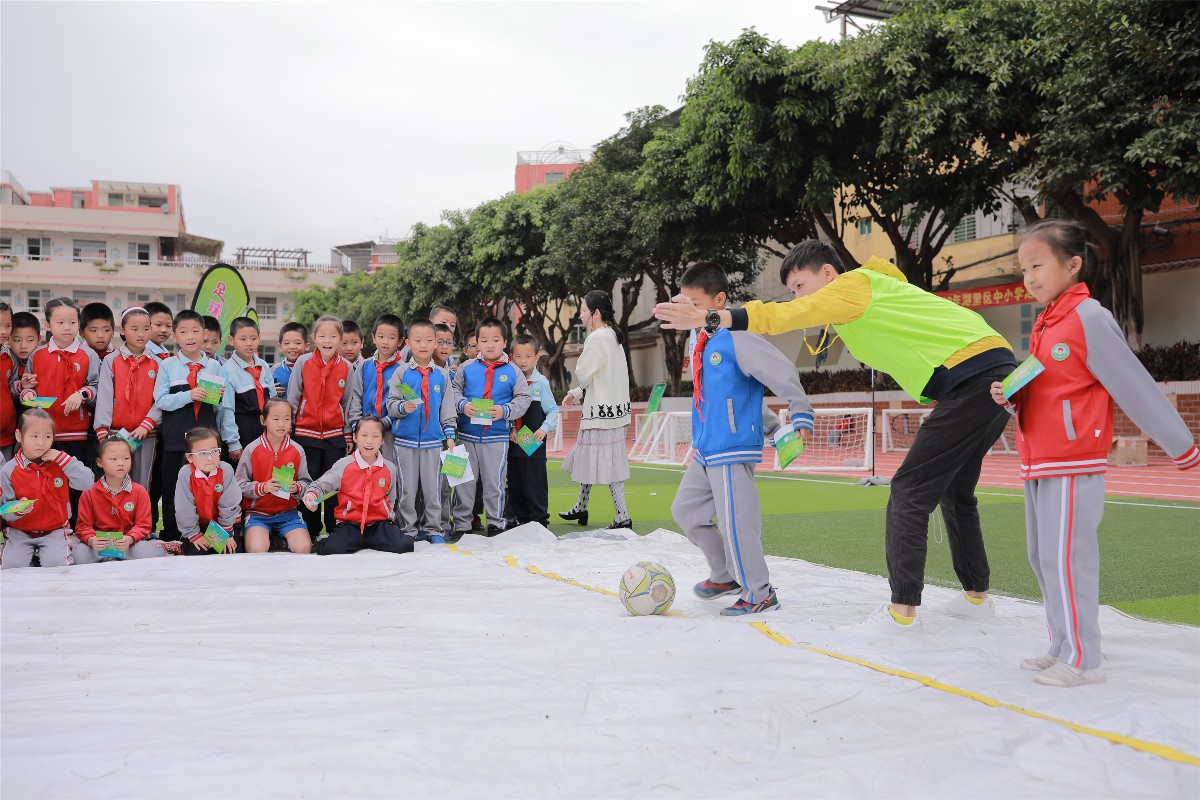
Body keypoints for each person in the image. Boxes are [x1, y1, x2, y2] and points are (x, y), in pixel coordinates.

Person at [656, 239, 1018, 631]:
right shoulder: (865, 298)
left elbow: (787, 316)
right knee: (955, 491)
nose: (796, 295)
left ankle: (901, 612)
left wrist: (716, 318)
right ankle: (976, 597)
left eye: (799, 284)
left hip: (973, 375)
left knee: (909, 490)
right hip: (988, 373)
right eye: (792, 289)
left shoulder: (854, 285)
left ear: (827, 273)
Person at [989, 220, 1199, 687]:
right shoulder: (1048, 323)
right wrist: (1012, 395)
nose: (1030, 278)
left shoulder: (1088, 318)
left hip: (1071, 460)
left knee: (1067, 557)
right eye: (1024, 270)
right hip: (1038, 459)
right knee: (1042, 555)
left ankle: (1084, 659)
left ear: (1073, 264)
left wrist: (1183, 449)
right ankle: (1061, 644)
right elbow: (1052, 389)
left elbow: (1133, 385)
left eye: (1037, 266)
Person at [669, 263, 815, 615]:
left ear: (719, 300)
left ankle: (760, 592)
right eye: (683, 302)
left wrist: (800, 413)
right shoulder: (701, 340)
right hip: (707, 448)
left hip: (732, 448)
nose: (687, 310)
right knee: (686, 511)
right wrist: (767, 423)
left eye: (695, 303)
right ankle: (724, 574)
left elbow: (781, 372)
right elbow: (729, 395)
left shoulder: (739, 336)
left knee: (737, 524)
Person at [153, 310, 237, 540]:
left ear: (205, 334)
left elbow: (223, 406)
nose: (190, 336)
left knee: (209, 489)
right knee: (172, 488)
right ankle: (172, 536)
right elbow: (160, 401)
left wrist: (217, 398)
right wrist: (189, 395)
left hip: (207, 440)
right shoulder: (168, 365)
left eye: (195, 331)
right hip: (175, 439)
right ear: (174, 336)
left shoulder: (215, 367)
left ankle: (211, 536)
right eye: (183, 332)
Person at [17, 298, 100, 525]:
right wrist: (28, 394)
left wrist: (81, 394)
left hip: (76, 433)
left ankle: (77, 529)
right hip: (43, 434)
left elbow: (96, 387)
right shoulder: (38, 355)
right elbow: (27, 389)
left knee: (76, 483)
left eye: (72, 322)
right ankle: (43, 527)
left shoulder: (88, 355)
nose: (67, 327)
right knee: (44, 482)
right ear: (48, 325)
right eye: (61, 322)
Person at [559, 290, 633, 530]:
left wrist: (576, 390)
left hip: (601, 414)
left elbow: (584, 373)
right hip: (613, 411)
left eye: (583, 310)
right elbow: (601, 377)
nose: (580, 315)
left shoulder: (597, 337)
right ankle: (581, 507)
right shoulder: (612, 335)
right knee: (591, 459)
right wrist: (576, 393)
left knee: (605, 463)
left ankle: (622, 515)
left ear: (596, 313)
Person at [451, 318, 531, 537]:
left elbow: (523, 398)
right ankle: (462, 523)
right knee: (463, 480)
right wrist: (463, 405)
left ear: (504, 342)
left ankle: (496, 522)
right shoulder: (466, 368)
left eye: (495, 340)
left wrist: (505, 411)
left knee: (494, 482)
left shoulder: (513, 370)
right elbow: (454, 392)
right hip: (465, 436)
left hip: (497, 437)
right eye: (484, 340)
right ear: (476, 342)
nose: (489, 344)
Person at [386, 318, 456, 542]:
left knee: (433, 490)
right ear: (408, 343)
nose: (423, 345)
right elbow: (391, 404)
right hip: (404, 442)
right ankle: (408, 529)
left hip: (433, 443)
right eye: (417, 340)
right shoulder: (401, 373)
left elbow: (447, 409)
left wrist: (450, 435)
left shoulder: (443, 376)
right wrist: (401, 408)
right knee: (406, 489)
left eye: (428, 340)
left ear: (436, 342)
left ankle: (434, 529)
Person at [301, 416, 414, 556]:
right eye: (364, 435)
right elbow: (320, 485)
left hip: (378, 524)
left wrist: (387, 518)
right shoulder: (344, 465)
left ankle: (373, 539)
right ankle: (323, 540)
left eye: (375, 436)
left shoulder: (389, 468)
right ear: (355, 437)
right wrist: (311, 494)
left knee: (405, 546)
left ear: (382, 440)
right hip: (350, 524)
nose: (369, 441)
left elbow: (391, 498)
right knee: (330, 549)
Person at [0, 409, 95, 568]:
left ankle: (46, 554)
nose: (41, 442)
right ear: (19, 436)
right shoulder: (9, 470)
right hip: (20, 532)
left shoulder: (61, 462)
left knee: (56, 566)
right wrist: (18, 509)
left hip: (55, 530)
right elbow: (4, 509)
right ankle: (31, 558)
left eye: (47, 436)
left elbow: (87, 483)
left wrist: (64, 460)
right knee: (12, 567)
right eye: (34, 436)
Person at [287, 315, 352, 538]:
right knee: (308, 483)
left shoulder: (347, 367)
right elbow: (293, 398)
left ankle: (334, 529)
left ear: (341, 340)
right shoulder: (303, 363)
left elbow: (347, 403)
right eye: (322, 335)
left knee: (333, 484)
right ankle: (309, 530)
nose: (327, 340)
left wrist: (347, 434)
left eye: (333, 336)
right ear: (314, 338)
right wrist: (290, 428)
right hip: (305, 434)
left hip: (334, 436)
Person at [72, 436, 167, 564]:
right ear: (99, 462)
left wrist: (130, 539)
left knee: (146, 552)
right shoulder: (89, 492)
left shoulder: (139, 491)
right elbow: (83, 526)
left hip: (128, 543)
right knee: (80, 556)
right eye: (113, 459)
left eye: (126, 458)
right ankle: (112, 555)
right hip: (100, 544)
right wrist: (91, 539)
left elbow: (143, 525)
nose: (121, 463)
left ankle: (165, 546)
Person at [94, 307, 161, 489]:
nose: (141, 334)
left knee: (142, 483)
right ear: (122, 330)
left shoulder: (159, 363)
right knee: (114, 482)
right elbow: (105, 397)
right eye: (134, 328)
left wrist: (148, 423)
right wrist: (103, 431)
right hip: (115, 434)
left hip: (146, 434)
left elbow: (161, 399)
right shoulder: (111, 361)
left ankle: (140, 518)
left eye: (146, 328)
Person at [235, 397, 312, 554]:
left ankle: (280, 539)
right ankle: (268, 538)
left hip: (288, 513)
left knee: (304, 548)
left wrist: (296, 488)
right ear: (263, 420)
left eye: (287, 419)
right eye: (276, 419)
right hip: (258, 514)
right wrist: (262, 487)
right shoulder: (251, 450)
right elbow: (239, 485)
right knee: (256, 549)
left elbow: (306, 483)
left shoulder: (297, 450)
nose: (281, 424)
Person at [506, 334, 558, 528]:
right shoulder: (509, 381)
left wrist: (544, 429)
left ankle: (539, 521)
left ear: (536, 358)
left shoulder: (540, 383)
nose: (523, 361)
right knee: (516, 484)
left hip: (533, 443)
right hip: (515, 441)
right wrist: (511, 426)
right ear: (511, 357)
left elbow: (552, 411)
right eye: (518, 357)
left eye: (528, 356)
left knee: (534, 484)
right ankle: (522, 519)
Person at [347, 315, 405, 464]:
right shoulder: (363, 367)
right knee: (364, 469)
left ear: (400, 341)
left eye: (391, 338)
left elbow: (405, 402)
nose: (385, 342)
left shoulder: (405, 370)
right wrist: (357, 426)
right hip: (364, 432)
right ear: (373, 338)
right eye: (380, 336)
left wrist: (386, 422)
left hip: (390, 432)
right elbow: (355, 398)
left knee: (388, 469)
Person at [174, 427, 241, 556]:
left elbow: (230, 504)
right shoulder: (185, 473)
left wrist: (227, 533)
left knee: (230, 551)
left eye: (214, 451)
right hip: (200, 526)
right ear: (189, 457)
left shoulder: (226, 470)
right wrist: (194, 534)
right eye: (203, 453)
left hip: (226, 524)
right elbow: (184, 508)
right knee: (196, 552)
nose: (210, 458)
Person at [221, 316, 276, 451]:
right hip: (242, 431)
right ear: (231, 340)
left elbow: (274, 400)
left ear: (259, 338)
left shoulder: (263, 365)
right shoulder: (227, 369)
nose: (249, 343)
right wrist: (233, 442)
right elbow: (226, 409)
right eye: (243, 339)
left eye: (253, 338)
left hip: (267, 431)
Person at [274, 322, 309, 395]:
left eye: (297, 343)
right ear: (280, 347)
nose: (292, 347)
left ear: (307, 346)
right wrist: (271, 391)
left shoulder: (314, 368)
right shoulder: (273, 370)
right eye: (287, 343)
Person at [0, 301, 15, 460]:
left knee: (5, 481)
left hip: (6, 435)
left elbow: (11, 388)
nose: (4, 331)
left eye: (8, 325)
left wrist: (22, 386)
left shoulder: (10, 356)